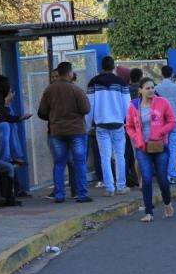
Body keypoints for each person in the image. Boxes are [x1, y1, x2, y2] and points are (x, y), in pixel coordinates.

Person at [38, 62, 92, 203]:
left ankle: (59, 195)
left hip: (56, 132)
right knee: (79, 162)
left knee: (59, 163)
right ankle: (81, 194)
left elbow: (41, 112)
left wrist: (53, 117)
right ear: (69, 73)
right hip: (76, 131)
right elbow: (86, 109)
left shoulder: (49, 90)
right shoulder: (76, 90)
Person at [125, 77, 176, 222]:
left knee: (162, 179)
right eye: (147, 88)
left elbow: (172, 121)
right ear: (140, 90)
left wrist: (161, 132)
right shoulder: (134, 105)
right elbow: (128, 126)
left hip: (160, 146)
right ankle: (149, 212)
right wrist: (136, 138)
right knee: (146, 178)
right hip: (143, 148)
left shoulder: (163, 102)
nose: (151, 90)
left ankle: (167, 203)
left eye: (152, 87)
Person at [87, 56, 131, 196]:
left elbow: (90, 105)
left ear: (102, 67)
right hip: (118, 124)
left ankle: (109, 188)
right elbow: (127, 105)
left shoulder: (93, 82)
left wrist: (89, 124)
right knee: (119, 156)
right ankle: (121, 186)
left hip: (101, 125)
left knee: (104, 156)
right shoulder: (121, 82)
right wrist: (127, 121)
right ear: (113, 67)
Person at [155, 65, 176, 185]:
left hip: (161, 123)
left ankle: (163, 174)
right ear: (172, 74)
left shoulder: (157, 88)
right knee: (173, 149)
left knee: (163, 149)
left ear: (161, 74)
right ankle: (171, 173)